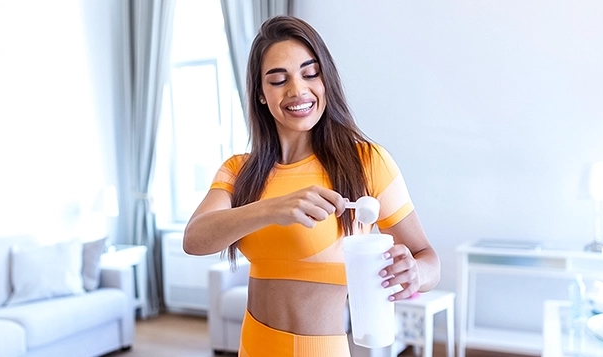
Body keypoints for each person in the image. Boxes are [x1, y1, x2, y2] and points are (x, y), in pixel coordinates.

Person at [183, 15, 440, 357]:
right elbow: (195, 239)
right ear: (260, 94)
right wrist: (273, 208)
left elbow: (428, 260)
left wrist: (414, 272)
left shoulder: (365, 162)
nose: (297, 90)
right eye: (278, 80)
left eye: (309, 73)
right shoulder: (239, 171)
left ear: (326, 80)